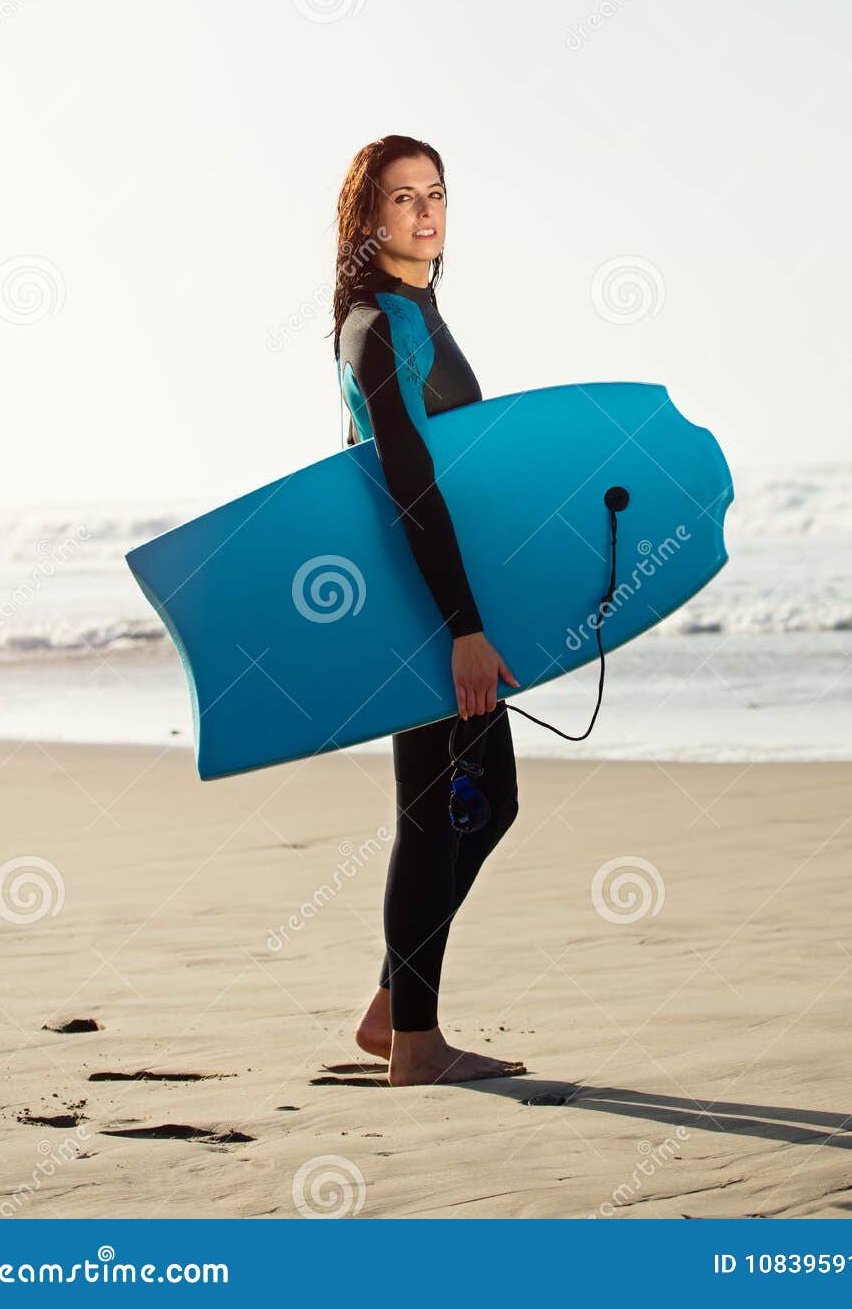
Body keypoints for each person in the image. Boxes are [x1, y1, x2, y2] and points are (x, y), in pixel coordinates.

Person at [331, 134, 527, 1086]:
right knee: (435, 813)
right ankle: (417, 1042)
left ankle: (391, 1011)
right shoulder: (379, 325)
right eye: (402, 198)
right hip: (424, 607)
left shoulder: (421, 315)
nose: (424, 211)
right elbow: (408, 482)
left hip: (444, 600)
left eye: (436, 193)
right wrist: (462, 628)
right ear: (368, 219)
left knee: (485, 806)